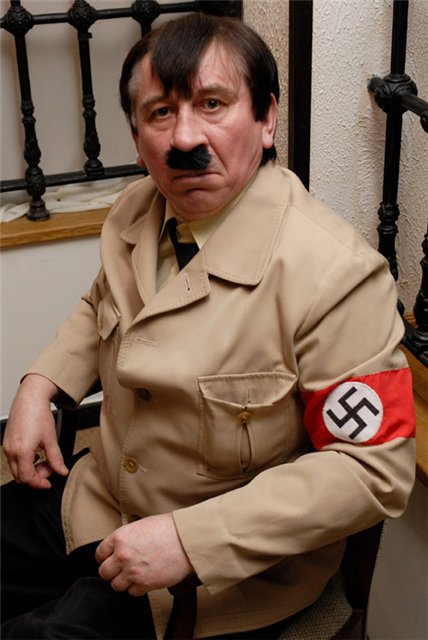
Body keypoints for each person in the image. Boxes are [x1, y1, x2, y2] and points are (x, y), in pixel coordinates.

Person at [1, 11, 416, 640]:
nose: (183, 138)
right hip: (97, 501)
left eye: (212, 104)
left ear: (267, 119)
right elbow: (99, 308)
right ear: (135, 135)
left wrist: (189, 538)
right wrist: (41, 384)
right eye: (160, 113)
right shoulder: (138, 210)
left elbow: (372, 471)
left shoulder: (337, 275)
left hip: (213, 572)